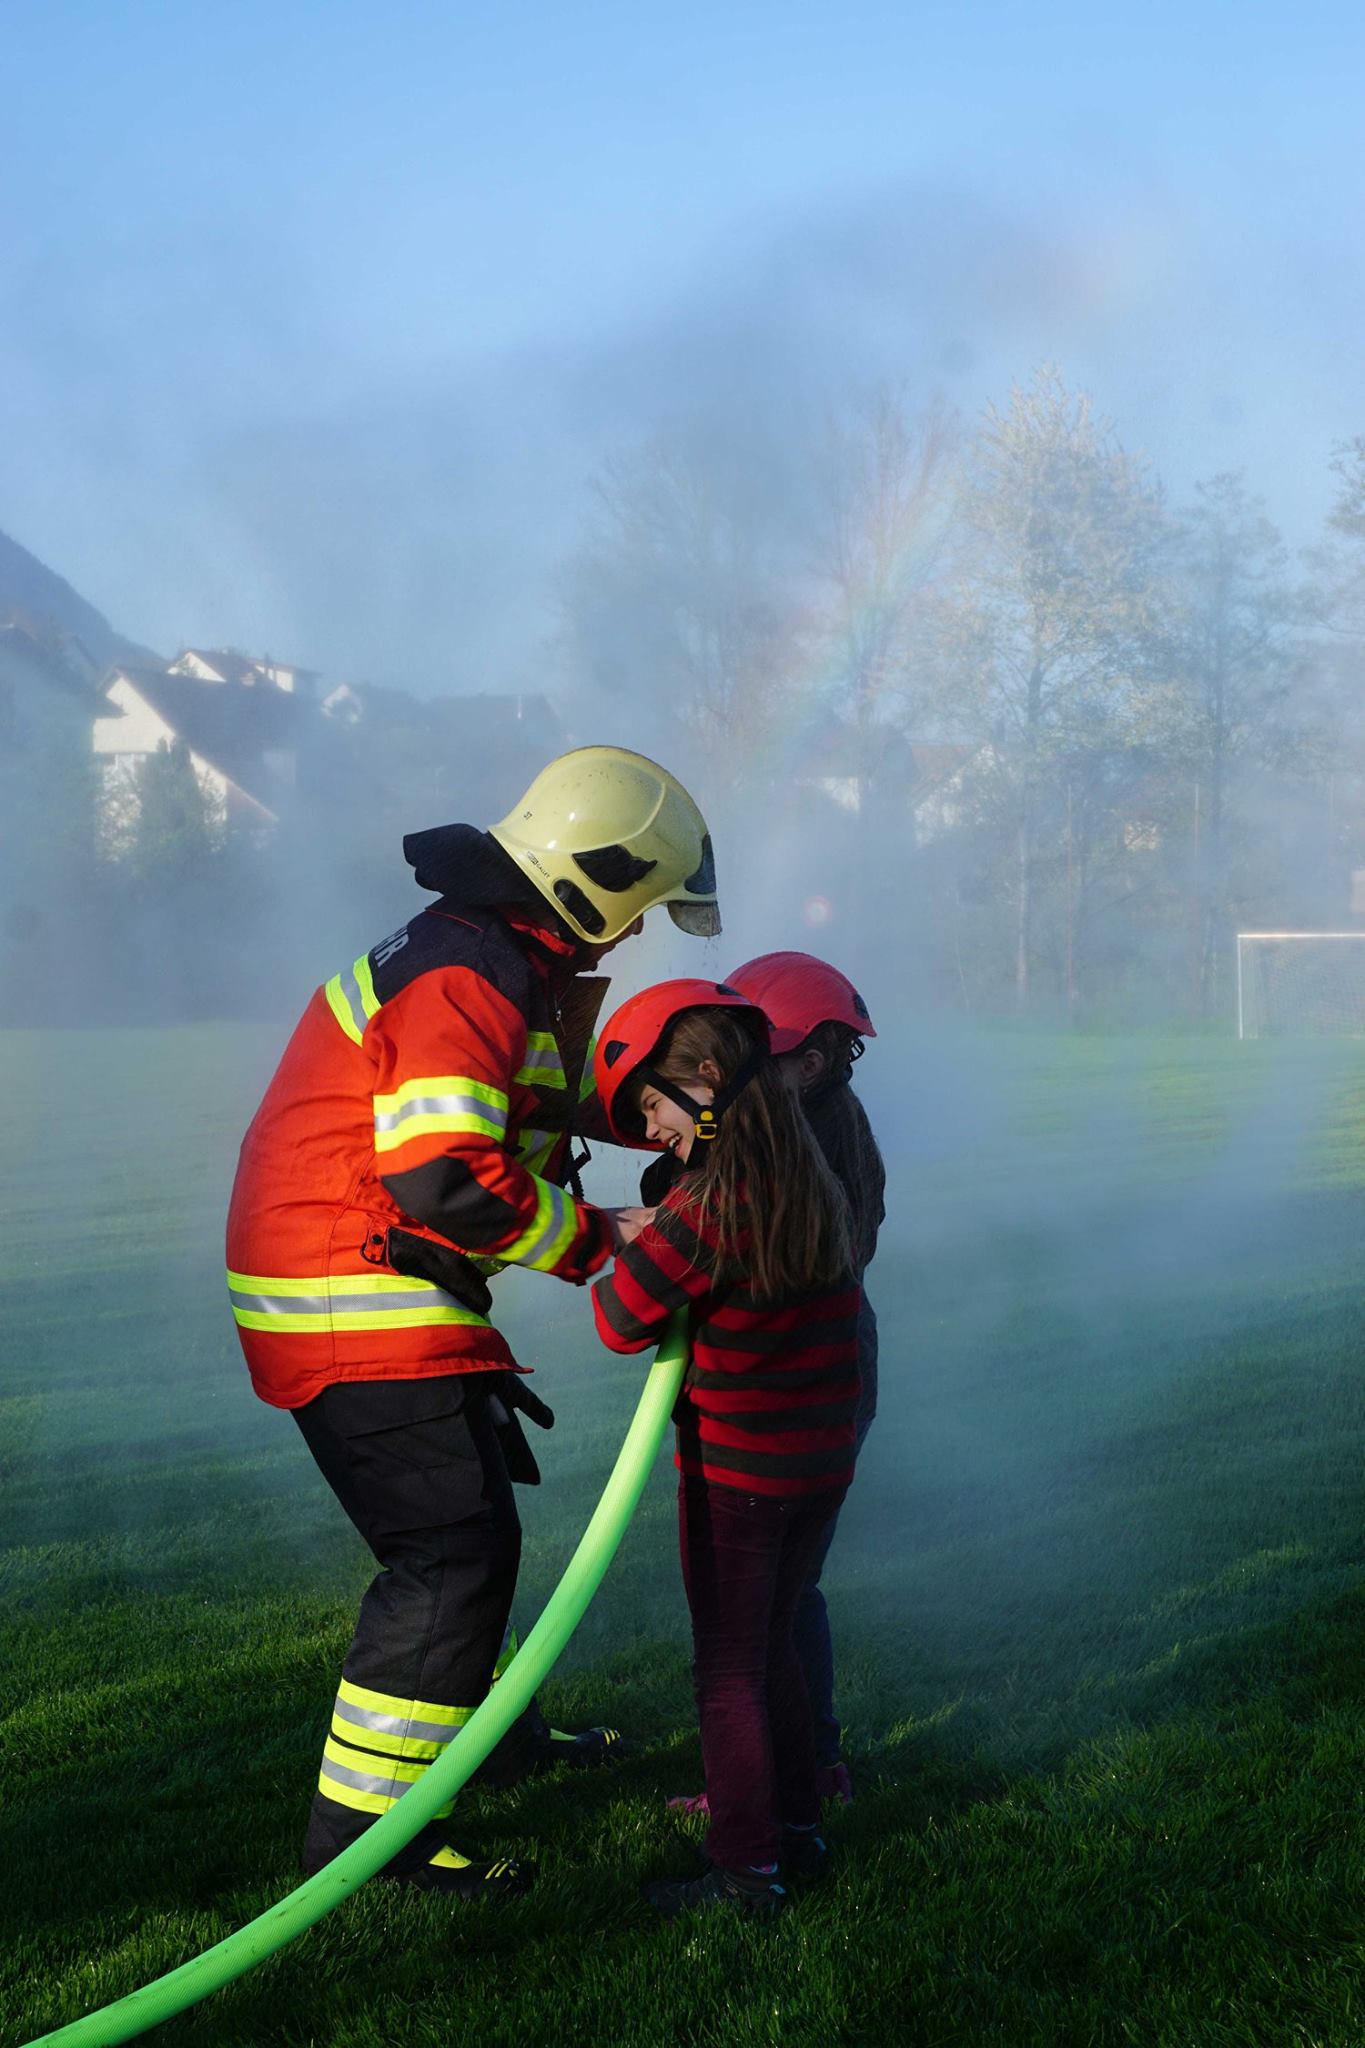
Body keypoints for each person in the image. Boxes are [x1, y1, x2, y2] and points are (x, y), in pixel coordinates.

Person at [225, 747, 719, 1898]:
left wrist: (678, 1116)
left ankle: (488, 1738)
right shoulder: (471, 970)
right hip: (355, 1288)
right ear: (592, 878)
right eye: (637, 908)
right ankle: (365, 1839)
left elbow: (532, 1102)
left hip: (364, 1280)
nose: (637, 935)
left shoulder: (492, 953)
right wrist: (611, 1243)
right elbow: (445, 1177)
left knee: (469, 1530)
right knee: (447, 1552)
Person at [590, 979, 859, 1919]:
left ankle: (744, 1875)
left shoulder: (709, 1209)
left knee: (728, 1671)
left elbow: (618, 1320)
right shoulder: (804, 1173)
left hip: (740, 1474)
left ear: (705, 1078)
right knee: (774, 1646)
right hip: (818, 1462)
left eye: (654, 1107)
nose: (652, 1132)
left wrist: (623, 1239)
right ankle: (795, 1836)